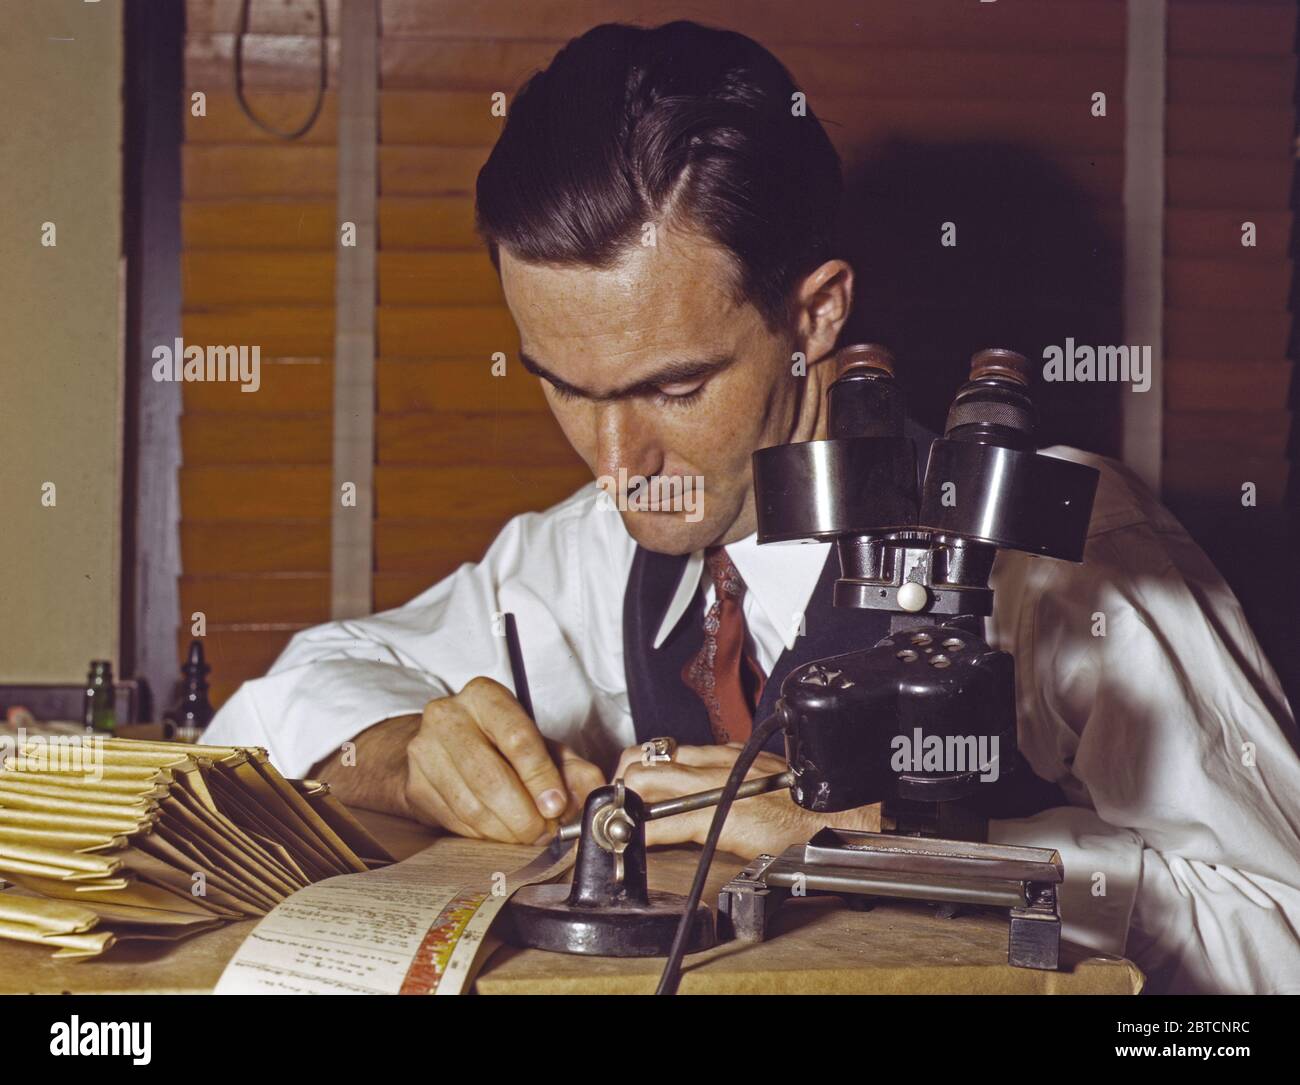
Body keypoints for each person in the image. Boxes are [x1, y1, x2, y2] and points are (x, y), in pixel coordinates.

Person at [205, 21, 1300, 994]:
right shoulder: (591, 556)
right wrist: (397, 752)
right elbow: (285, 694)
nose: (616, 461)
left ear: (815, 313)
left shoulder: (1063, 550)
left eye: (674, 386)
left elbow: (1280, 935)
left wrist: (900, 845)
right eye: (564, 385)